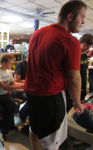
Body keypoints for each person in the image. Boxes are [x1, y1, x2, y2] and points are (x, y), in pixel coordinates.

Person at [24, 1, 86, 150]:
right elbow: (74, 79)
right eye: (82, 17)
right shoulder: (70, 41)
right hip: (50, 97)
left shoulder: (37, 34)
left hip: (32, 94)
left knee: (35, 128)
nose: (83, 22)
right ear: (70, 16)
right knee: (52, 142)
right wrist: (77, 101)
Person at [0, 53, 24, 145]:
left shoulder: (8, 71)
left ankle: (3, 130)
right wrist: (23, 86)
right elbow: (4, 87)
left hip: (4, 95)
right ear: (4, 63)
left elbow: (12, 83)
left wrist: (24, 85)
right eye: (10, 63)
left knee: (13, 107)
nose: (12, 65)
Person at [66, 34, 93, 112]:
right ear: (79, 43)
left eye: (90, 46)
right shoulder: (74, 55)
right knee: (69, 106)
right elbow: (71, 75)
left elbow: (84, 73)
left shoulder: (84, 55)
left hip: (82, 86)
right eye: (85, 45)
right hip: (74, 87)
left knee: (78, 107)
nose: (87, 48)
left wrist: (86, 86)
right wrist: (75, 86)